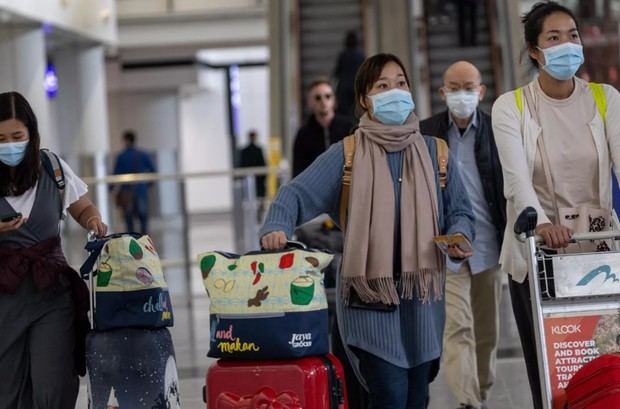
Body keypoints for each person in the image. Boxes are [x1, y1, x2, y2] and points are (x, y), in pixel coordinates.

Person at [261, 53, 475, 409]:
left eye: (401, 83)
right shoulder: (347, 154)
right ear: (364, 99)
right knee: (389, 395)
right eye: (382, 86)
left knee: (416, 398)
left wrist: (460, 236)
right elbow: (294, 193)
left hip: (421, 302)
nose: (395, 92)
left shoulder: (434, 151)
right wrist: (276, 226)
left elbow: (460, 211)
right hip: (368, 300)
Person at [491, 2, 620, 408]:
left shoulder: (605, 99)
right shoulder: (510, 107)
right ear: (534, 51)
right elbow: (516, 180)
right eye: (553, 38)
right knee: (551, 374)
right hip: (541, 256)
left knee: (607, 359)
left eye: (572, 35)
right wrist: (543, 224)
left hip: (600, 250)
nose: (567, 45)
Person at [0, 91, 108, 409]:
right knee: (8, 390)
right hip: (4, 301)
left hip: (51, 293)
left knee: (54, 384)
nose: (9, 145)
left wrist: (94, 220)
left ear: (31, 134)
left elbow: (82, 207)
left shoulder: (52, 168)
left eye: (17, 136)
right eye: (1, 138)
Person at [420, 61, 505, 409]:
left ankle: (481, 387)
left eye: (469, 87)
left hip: (487, 245)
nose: (462, 94)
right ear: (442, 92)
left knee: (487, 332)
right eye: (454, 87)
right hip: (447, 249)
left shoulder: (497, 130)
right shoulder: (427, 134)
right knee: (456, 328)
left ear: (481, 91)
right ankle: (469, 401)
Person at [292, 78, 354, 177]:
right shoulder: (303, 135)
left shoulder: (348, 127)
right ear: (310, 102)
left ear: (333, 100)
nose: (323, 101)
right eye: (317, 98)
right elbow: (298, 171)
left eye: (327, 96)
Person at [112, 130, 156, 234]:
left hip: (126, 191)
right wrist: (148, 184)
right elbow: (153, 170)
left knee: (129, 218)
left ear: (126, 140)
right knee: (143, 217)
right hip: (141, 189)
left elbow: (116, 173)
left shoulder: (122, 156)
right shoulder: (143, 155)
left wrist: (111, 188)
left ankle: (131, 239)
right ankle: (144, 239)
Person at [333, 30, 365, 120]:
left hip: (344, 89)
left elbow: (337, 72)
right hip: (356, 88)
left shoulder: (343, 55)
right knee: (356, 113)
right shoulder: (360, 56)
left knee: (344, 113)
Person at [239, 129, 267, 199]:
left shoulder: (244, 151)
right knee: (259, 197)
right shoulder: (258, 150)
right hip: (258, 180)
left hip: (248, 178)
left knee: (248, 197)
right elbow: (263, 164)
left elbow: (241, 165)